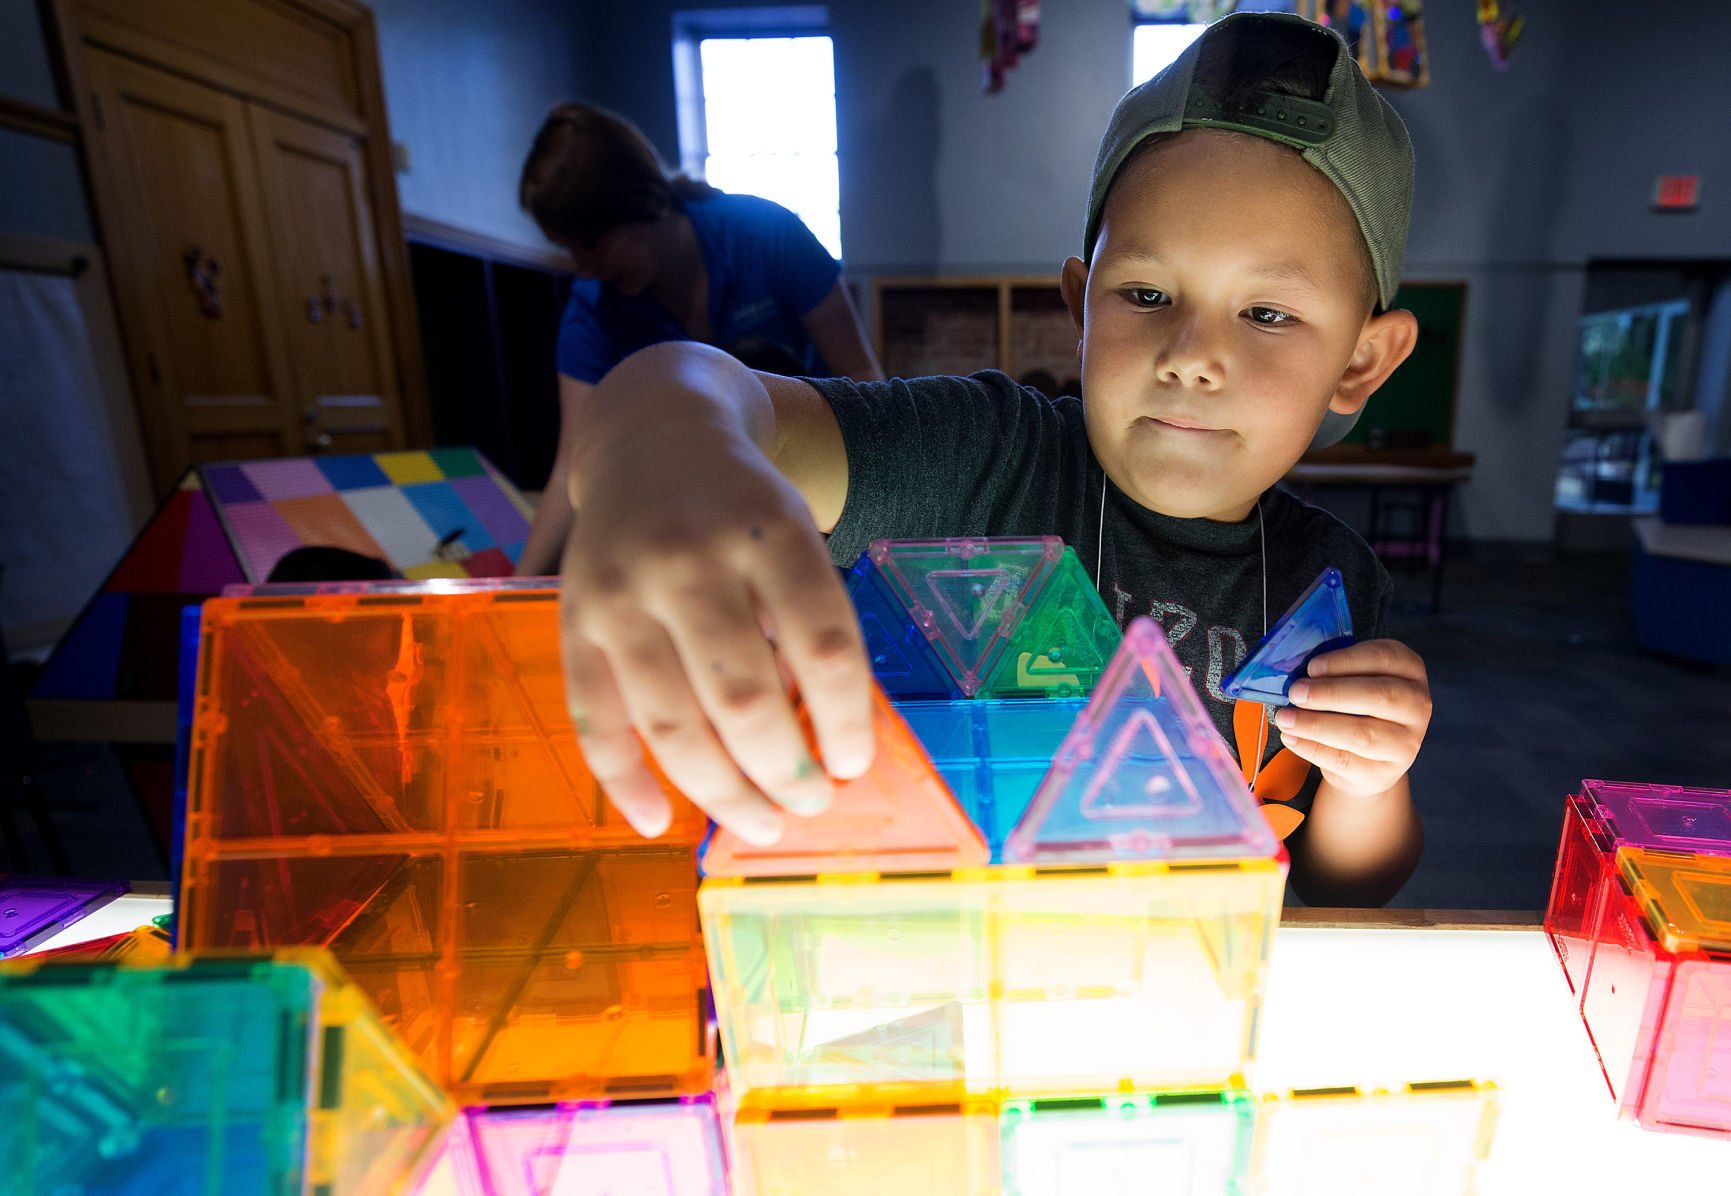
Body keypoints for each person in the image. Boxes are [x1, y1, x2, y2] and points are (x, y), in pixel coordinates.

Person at [554, 13, 1429, 906]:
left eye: (1267, 314)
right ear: (1082, 310)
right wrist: (656, 446)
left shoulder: (1332, 578)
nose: (1190, 355)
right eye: (1146, 293)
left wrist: (1371, 780)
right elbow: (711, 392)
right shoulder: (982, 455)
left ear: (1360, 361)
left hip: (1188, 995)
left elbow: (1347, 887)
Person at [514, 103, 883, 576]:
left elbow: (863, 378)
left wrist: (882, 541)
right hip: (694, 507)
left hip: (813, 481)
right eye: (568, 249)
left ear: (638, 204)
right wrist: (514, 592)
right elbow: (573, 464)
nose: (584, 268)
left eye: (590, 244)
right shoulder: (595, 307)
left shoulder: (766, 233)